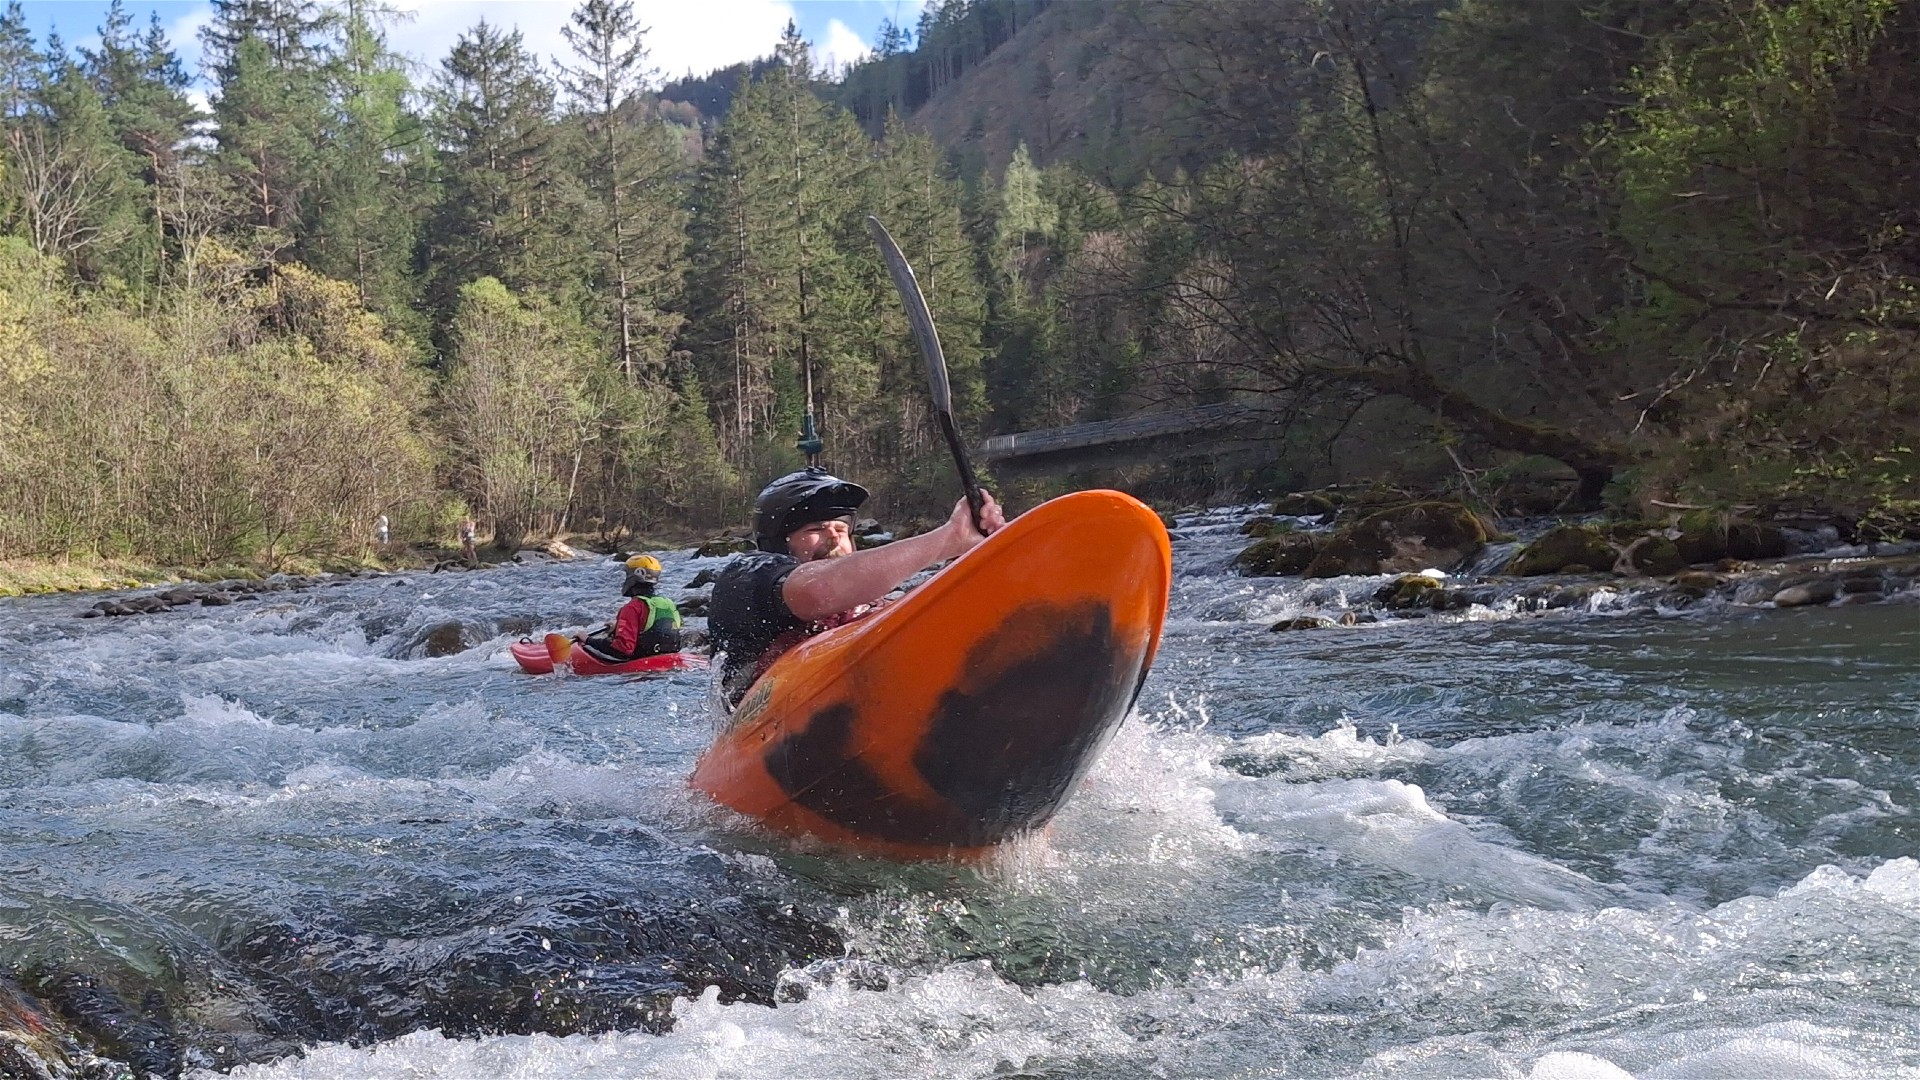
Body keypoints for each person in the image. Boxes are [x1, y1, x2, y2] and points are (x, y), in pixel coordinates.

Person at [709, 467, 1006, 704]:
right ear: (777, 542)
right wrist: (950, 538)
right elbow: (817, 592)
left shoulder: (865, 600)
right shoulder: (746, 575)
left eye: (841, 529)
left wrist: (976, 557)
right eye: (815, 529)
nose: (834, 538)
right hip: (759, 725)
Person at [579, 554, 684, 662]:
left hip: (642, 666)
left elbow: (623, 649)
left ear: (633, 577)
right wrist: (618, 628)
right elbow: (656, 630)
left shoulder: (632, 608)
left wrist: (588, 640)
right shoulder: (668, 603)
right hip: (669, 660)